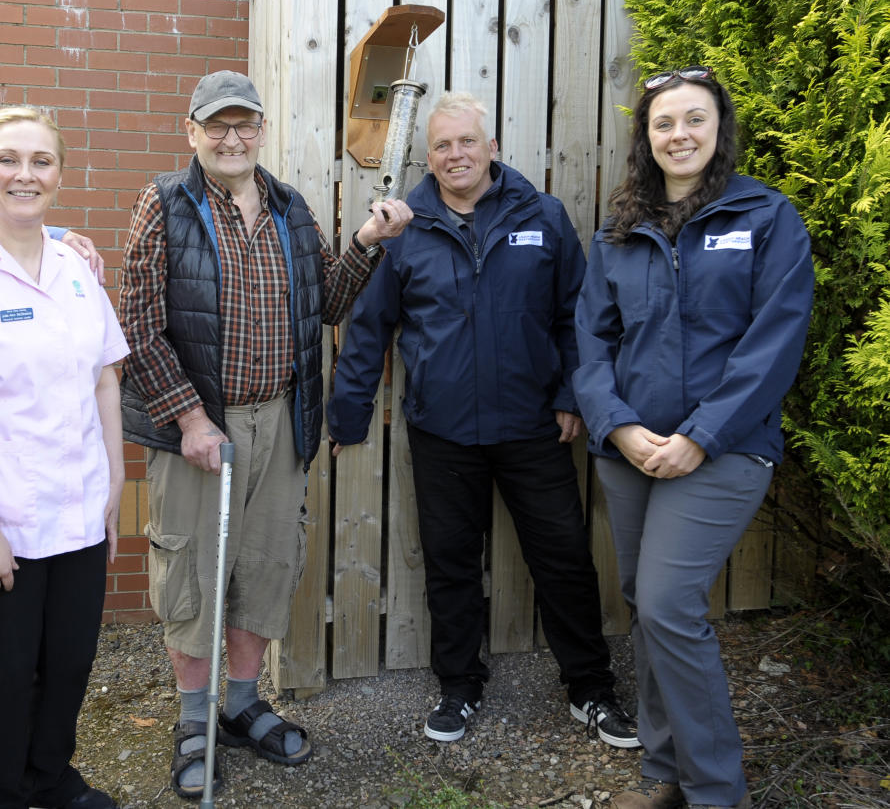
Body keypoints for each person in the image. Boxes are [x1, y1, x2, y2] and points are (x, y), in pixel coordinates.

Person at [119, 69, 412, 799]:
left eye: (244, 123)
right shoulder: (164, 204)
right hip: (198, 425)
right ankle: (195, 720)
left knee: (263, 569)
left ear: (260, 131)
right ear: (192, 132)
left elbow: (329, 303)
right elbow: (139, 326)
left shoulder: (288, 207)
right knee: (191, 577)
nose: (230, 137)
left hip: (281, 419)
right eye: (216, 124)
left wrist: (370, 241)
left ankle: (244, 702)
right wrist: (188, 418)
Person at [327, 92, 639, 749]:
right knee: (450, 564)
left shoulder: (542, 216)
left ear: (491, 146)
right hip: (442, 431)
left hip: (533, 426)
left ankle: (591, 690)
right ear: (430, 156)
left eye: (467, 141)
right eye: (442, 145)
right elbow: (369, 330)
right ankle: (459, 686)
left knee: (563, 560)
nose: (455, 154)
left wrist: (571, 395)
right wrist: (346, 418)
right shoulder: (404, 230)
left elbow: (577, 318)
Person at [573, 67, 813, 809]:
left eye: (694, 120)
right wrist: (621, 427)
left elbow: (774, 344)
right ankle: (664, 772)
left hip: (727, 448)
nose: (679, 134)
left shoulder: (768, 219)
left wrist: (701, 437)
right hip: (633, 450)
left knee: (670, 601)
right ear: (646, 139)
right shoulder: (617, 235)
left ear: (719, 129)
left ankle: (718, 792)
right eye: (664, 123)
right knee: (648, 604)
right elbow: (589, 344)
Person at [0, 107, 127, 809]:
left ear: (60, 176)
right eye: (8, 159)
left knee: (68, 664)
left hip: (77, 511)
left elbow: (104, 375)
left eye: (41, 161)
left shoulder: (75, 266)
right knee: (5, 680)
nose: (24, 174)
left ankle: (50, 778)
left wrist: (116, 479)